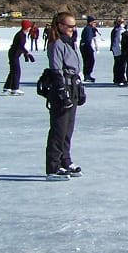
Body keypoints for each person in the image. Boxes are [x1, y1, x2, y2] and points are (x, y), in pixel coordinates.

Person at [44, 12, 86, 181]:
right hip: (62, 88)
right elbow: (56, 69)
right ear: (60, 26)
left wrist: (80, 88)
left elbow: (76, 68)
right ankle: (53, 167)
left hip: (73, 86)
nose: (72, 29)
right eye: (69, 26)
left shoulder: (71, 43)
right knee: (58, 129)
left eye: (74, 26)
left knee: (68, 129)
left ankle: (65, 161)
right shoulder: (56, 44)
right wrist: (62, 91)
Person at [2, 20, 36, 95]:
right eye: (29, 27)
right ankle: (15, 88)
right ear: (27, 27)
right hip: (14, 54)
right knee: (17, 71)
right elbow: (20, 46)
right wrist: (27, 54)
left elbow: (20, 47)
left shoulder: (22, 34)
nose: (30, 28)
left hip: (14, 54)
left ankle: (7, 87)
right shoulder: (21, 35)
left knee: (13, 71)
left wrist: (25, 55)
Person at [79, 16, 98, 82]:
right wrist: (89, 47)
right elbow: (87, 40)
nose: (95, 23)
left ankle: (88, 75)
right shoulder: (87, 29)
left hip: (87, 46)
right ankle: (87, 75)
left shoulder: (90, 29)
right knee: (89, 61)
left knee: (90, 61)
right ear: (90, 22)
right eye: (94, 22)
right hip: (86, 47)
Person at [110, 16, 125, 85]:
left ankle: (118, 78)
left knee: (117, 64)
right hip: (119, 49)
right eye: (122, 22)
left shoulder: (116, 30)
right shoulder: (119, 30)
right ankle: (119, 78)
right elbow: (119, 41)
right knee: (120, 64)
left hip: (116, 49)